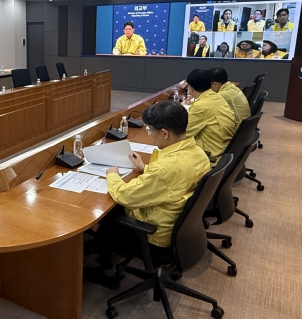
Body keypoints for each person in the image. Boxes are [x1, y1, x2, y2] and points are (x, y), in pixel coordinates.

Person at [83, 101, 211, 289]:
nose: (150, 135)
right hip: (181, 229)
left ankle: (107, 273)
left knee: (107, 217)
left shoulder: (165, 169)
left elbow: (125, 195)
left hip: (156, 234)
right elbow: (174, 179)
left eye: (151, 131)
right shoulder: (198, 153)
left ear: (165, 133)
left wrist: (112, 175)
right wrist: (144, 168)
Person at [185, 69, 236, 164]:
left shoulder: (200, 106)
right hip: (224, 149)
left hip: (212, 154)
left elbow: (184, 134)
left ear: (190, 88)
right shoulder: (217, 97)